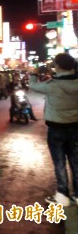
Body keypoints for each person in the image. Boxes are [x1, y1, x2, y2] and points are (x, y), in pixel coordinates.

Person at [29, 53, 78, 207]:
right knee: (76, 162)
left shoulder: (53, 85)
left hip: (56, 129)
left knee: (59, 162)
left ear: (57, 66)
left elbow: (33, 85)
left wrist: (33, 73)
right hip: (75, 127)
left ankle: (62, 194)